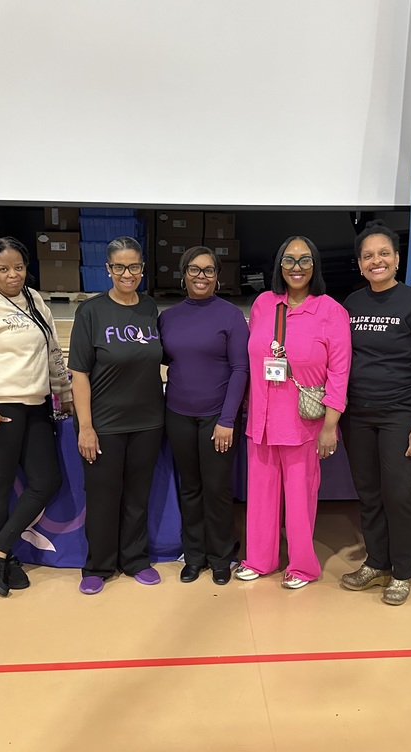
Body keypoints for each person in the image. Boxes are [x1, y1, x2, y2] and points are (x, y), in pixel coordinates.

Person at [0, 236, 71, 597]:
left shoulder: (35, 300)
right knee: (0, 484)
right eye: (3, 269)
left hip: (36, 404)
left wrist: (64, 392)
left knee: (46, 480)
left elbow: (52, 350)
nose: (12, 275)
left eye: (18, 267)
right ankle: (4, 560)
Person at [235, 236, 351, 589]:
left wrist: (330, 425)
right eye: (289, 260)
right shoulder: (263, 304)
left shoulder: (330, 310)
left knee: (300, 498)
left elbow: (340, 371)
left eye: (304, 260)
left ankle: (303, 566)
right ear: (279, 266)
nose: (296, 268)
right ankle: (260, 559)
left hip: (304, 422)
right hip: (262, 419)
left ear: (314, 265)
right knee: (260, 494)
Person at [340, 221, 411, 606]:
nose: (376, 260)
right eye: (368, 256)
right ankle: (376, 561)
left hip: (402, 416)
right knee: (368, 494)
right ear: (360, 264)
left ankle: (401, 572)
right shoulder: (352, 304)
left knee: (398, 494)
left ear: (397, 259)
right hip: (359, 416)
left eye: (384, 253)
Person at [69, 236, 165, 595]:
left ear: (143, 267)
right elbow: (79, 373)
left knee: (138, 496)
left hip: (148, 422)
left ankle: (136, 559)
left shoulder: (150, 307)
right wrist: (87, 427)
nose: (128, 274)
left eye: (135, 266)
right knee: (103, 497)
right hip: (105, 425)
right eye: (120, 267)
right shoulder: (91, 312)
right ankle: (98, 565)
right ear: (108, 270)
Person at [159, 247, 250, 586]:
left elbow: (241, 368)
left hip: (218, 418)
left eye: (209, 270)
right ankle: (194, 555)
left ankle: (221, 556)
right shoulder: (168, 317)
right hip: (178, 414)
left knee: (216, 489)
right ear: (183, 274)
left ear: (217, 276)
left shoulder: (230, 316)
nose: (201, 276)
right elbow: (169, 360)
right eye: (194, 270)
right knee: (190, 488)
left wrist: (227, 420)